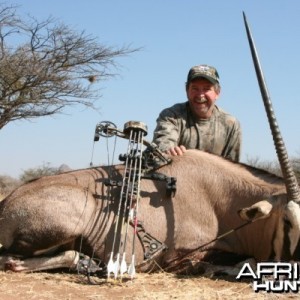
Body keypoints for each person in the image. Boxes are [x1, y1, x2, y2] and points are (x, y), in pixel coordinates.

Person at [152, 64, 241, 161]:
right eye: (195, 88)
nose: (200, 95)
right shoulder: (171, 116)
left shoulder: (231, 124)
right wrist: (170, 151)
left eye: (207, 89)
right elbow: (163, 146)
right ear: (187, 90)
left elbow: (232, 166)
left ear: (217, 92)